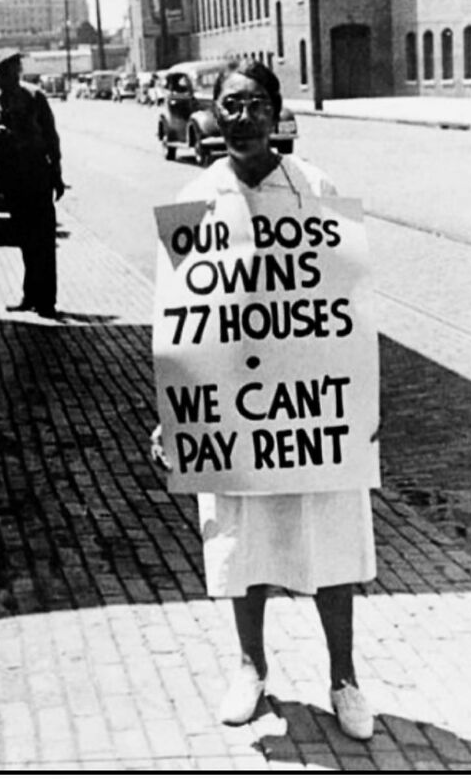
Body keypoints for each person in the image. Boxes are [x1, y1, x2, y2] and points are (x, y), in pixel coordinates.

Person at [151, 59, 376, 741]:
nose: (241, 117)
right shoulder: (195, 200)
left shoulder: (316, 188)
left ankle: (344, 677)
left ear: (277, 112)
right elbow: (177, 323)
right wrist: (173, 414)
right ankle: (250, 666)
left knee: (330, 540)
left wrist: (362, 396)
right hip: (233, 419)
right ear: (214, 115)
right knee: (240, 544)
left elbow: (347, 308)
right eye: (229, 105)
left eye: (254, 104)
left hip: (312, 415)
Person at [0, 48, 65, 319]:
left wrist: (57, 175)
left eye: (16, 70)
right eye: (8, 72)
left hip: (38, 174)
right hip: (11, 178)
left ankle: (46, 301)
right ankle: (31, 295)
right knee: (26, 239)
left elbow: (51, 137)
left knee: (44, 239)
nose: (14, 75)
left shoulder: (35, 96)